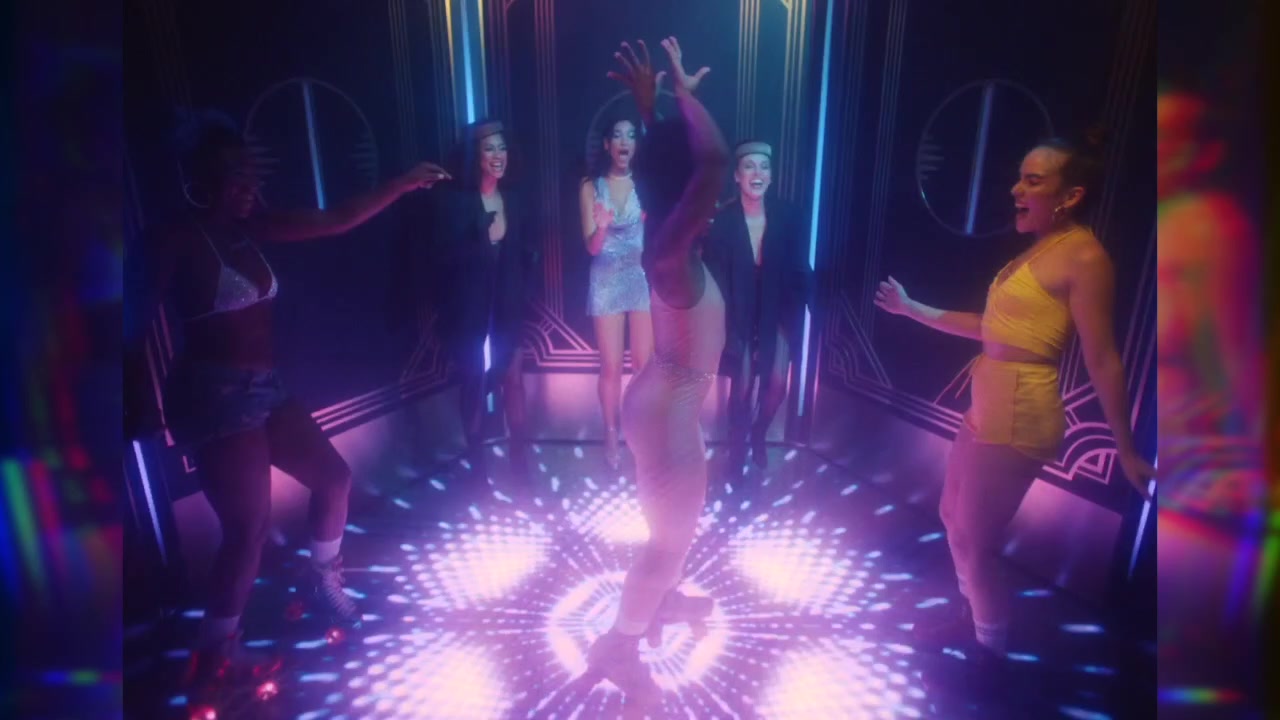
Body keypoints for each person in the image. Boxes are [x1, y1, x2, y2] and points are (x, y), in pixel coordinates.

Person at [123, 110, 448, 687]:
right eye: (236, 175)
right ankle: (214, 658)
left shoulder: (251, 228)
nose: (250, 185)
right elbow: (128, 323)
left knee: (334, 478)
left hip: (266, 387)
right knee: (248, 530)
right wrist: (137, 399)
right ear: (201, 177)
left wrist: (401, 184)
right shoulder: (174, 238)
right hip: (214, 396)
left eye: (251, 173)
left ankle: (320, 581)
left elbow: (335, 220)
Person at [874, 131, 1156, 691]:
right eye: (1020, 178)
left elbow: (1103, 357)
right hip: (988, 404)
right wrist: (913, 310)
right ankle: (974, 620)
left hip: (1020, 413)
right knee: (954, 520)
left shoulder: (1085, 257)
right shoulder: (1040, 249)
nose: (1015, 190)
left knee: (974, 541)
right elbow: (992, 329)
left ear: (1070, 196)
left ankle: (991, 655)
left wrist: (1125, 447)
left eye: (1033, 181)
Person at [583, 37, 729, 710]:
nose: (715, 201)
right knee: (668, 543)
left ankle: (661, 601)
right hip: (668, 410)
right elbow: (714, 163)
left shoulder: (675, 238)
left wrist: (652, 111)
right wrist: (681, 96)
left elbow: (676, 170)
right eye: (705, 194)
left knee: (674, 532)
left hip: (671, 405)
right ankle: (618, 646)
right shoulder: (670, 250)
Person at [428, 120, 538, 478]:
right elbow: (442, 259)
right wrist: (476, 237)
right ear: (474, 156)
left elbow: (522, 252)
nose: (498, 155)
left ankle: (520, 463)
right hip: (468, 307)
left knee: (514, 379)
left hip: (507, 303)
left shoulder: (513, 199)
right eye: (489, 148)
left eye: (502, 147)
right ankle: (478, 468)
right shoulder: (455, 203)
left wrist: (523, 282)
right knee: (473, 383)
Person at [703, 140, 813, 477]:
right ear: (737, 176)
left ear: (771, 176)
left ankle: (758, 433)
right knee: (743, 387)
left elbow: (800, 269)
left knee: (777, 384)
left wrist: (811, 308)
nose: (757, 173)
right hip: (737, 313)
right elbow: (714, 277)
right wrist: (719, 326)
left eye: (764, 167)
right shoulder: (723, 222)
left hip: (775, 312)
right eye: (749, 166)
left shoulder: (789, 216)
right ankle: (737, 450)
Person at [580, 113, 653, 469]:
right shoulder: (591, 187)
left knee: (644, 366)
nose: (625, 142)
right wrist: (603, 228)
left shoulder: (647, 185)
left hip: (638, 277)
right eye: (618, 136)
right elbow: (592, 248)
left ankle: (639, 430)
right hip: (606, 279)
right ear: (607, 145)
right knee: (611, 366)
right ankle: (611, 432)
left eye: (631, 135)